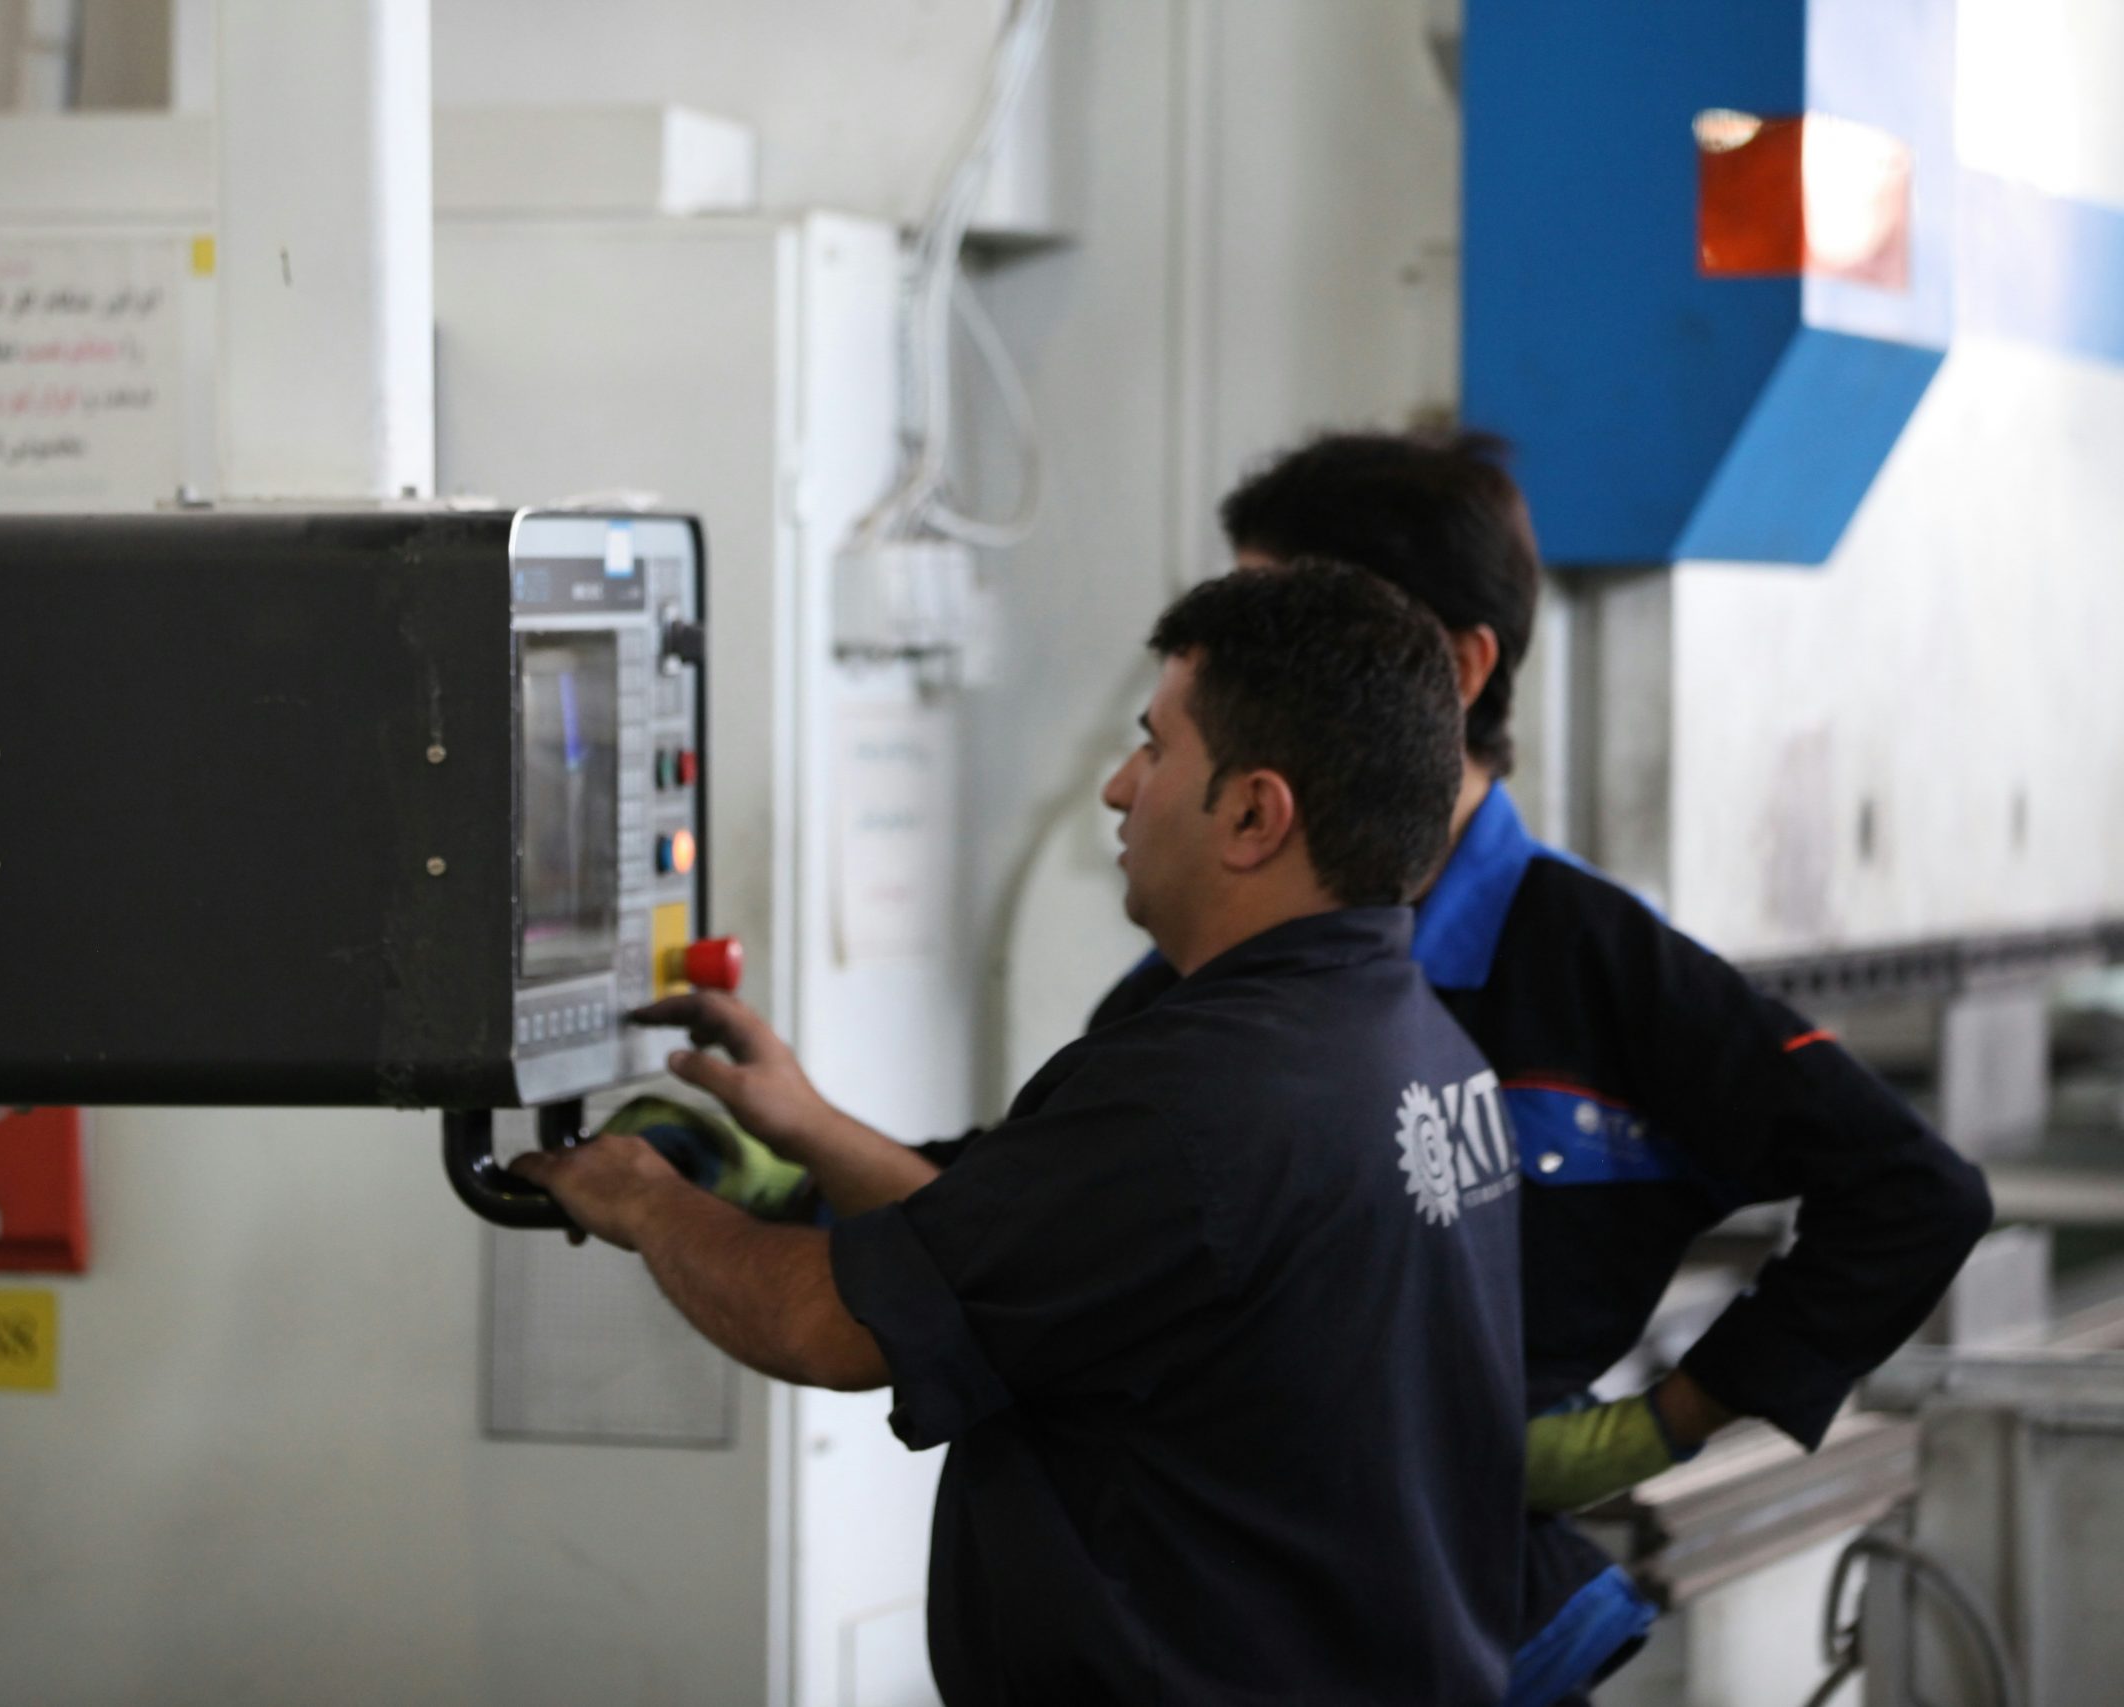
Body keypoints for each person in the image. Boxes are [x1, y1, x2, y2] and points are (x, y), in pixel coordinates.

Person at [1081, 432, 1997, 1705]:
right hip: (1235, 1619)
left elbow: (1910, 1192)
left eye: (1299, 626)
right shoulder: (1193, 983)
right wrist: (799, 1159)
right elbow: (1034, 1208)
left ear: (1457, 669)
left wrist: (1665, 1421)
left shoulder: (1596, 972)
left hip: (1467, 1623)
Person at [516, 562, 1527, 1705]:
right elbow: (1038, 1254)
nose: (1115, 787)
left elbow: (823, 1326)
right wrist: (807, 1127)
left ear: (1252, 812)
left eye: (1153, 748)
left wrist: (643, 1197)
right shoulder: (1419, 1052)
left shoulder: (1197, 1097)